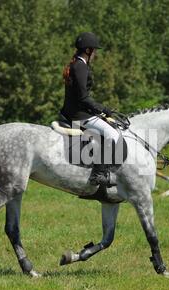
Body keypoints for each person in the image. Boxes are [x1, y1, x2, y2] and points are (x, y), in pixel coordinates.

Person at [60, 32, 120, 187]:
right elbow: (83, 98)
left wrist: (98, 112)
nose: (96, 53)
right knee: (112, 134)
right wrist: (104, 109)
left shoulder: (78, 65)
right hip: (78, 115)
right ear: (88, 51)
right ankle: (98, 175)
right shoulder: (80, 67)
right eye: (95, 50)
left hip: (78, 111)